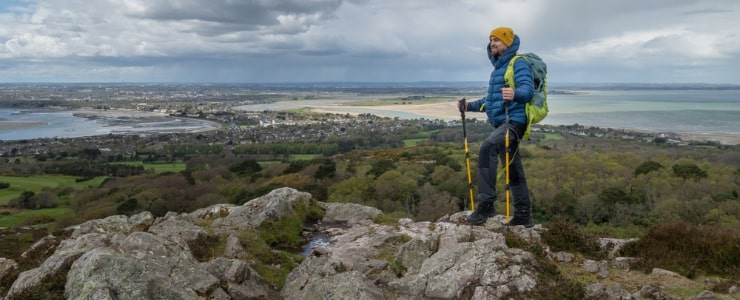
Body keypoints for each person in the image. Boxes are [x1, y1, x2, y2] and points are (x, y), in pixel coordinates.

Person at [458, 26, 534, 227]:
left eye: (497, 40)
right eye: (491, 40)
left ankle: (486, 205)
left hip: (514, 122)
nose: (492, 43)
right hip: (502, 124)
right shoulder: (498, 70)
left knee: (487, 148)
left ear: (507, 43)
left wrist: (515, 94)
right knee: (513, 170)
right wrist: (470, 106)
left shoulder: (518, 63)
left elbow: (528, 90)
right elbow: (491, 101)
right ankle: (523, 215)